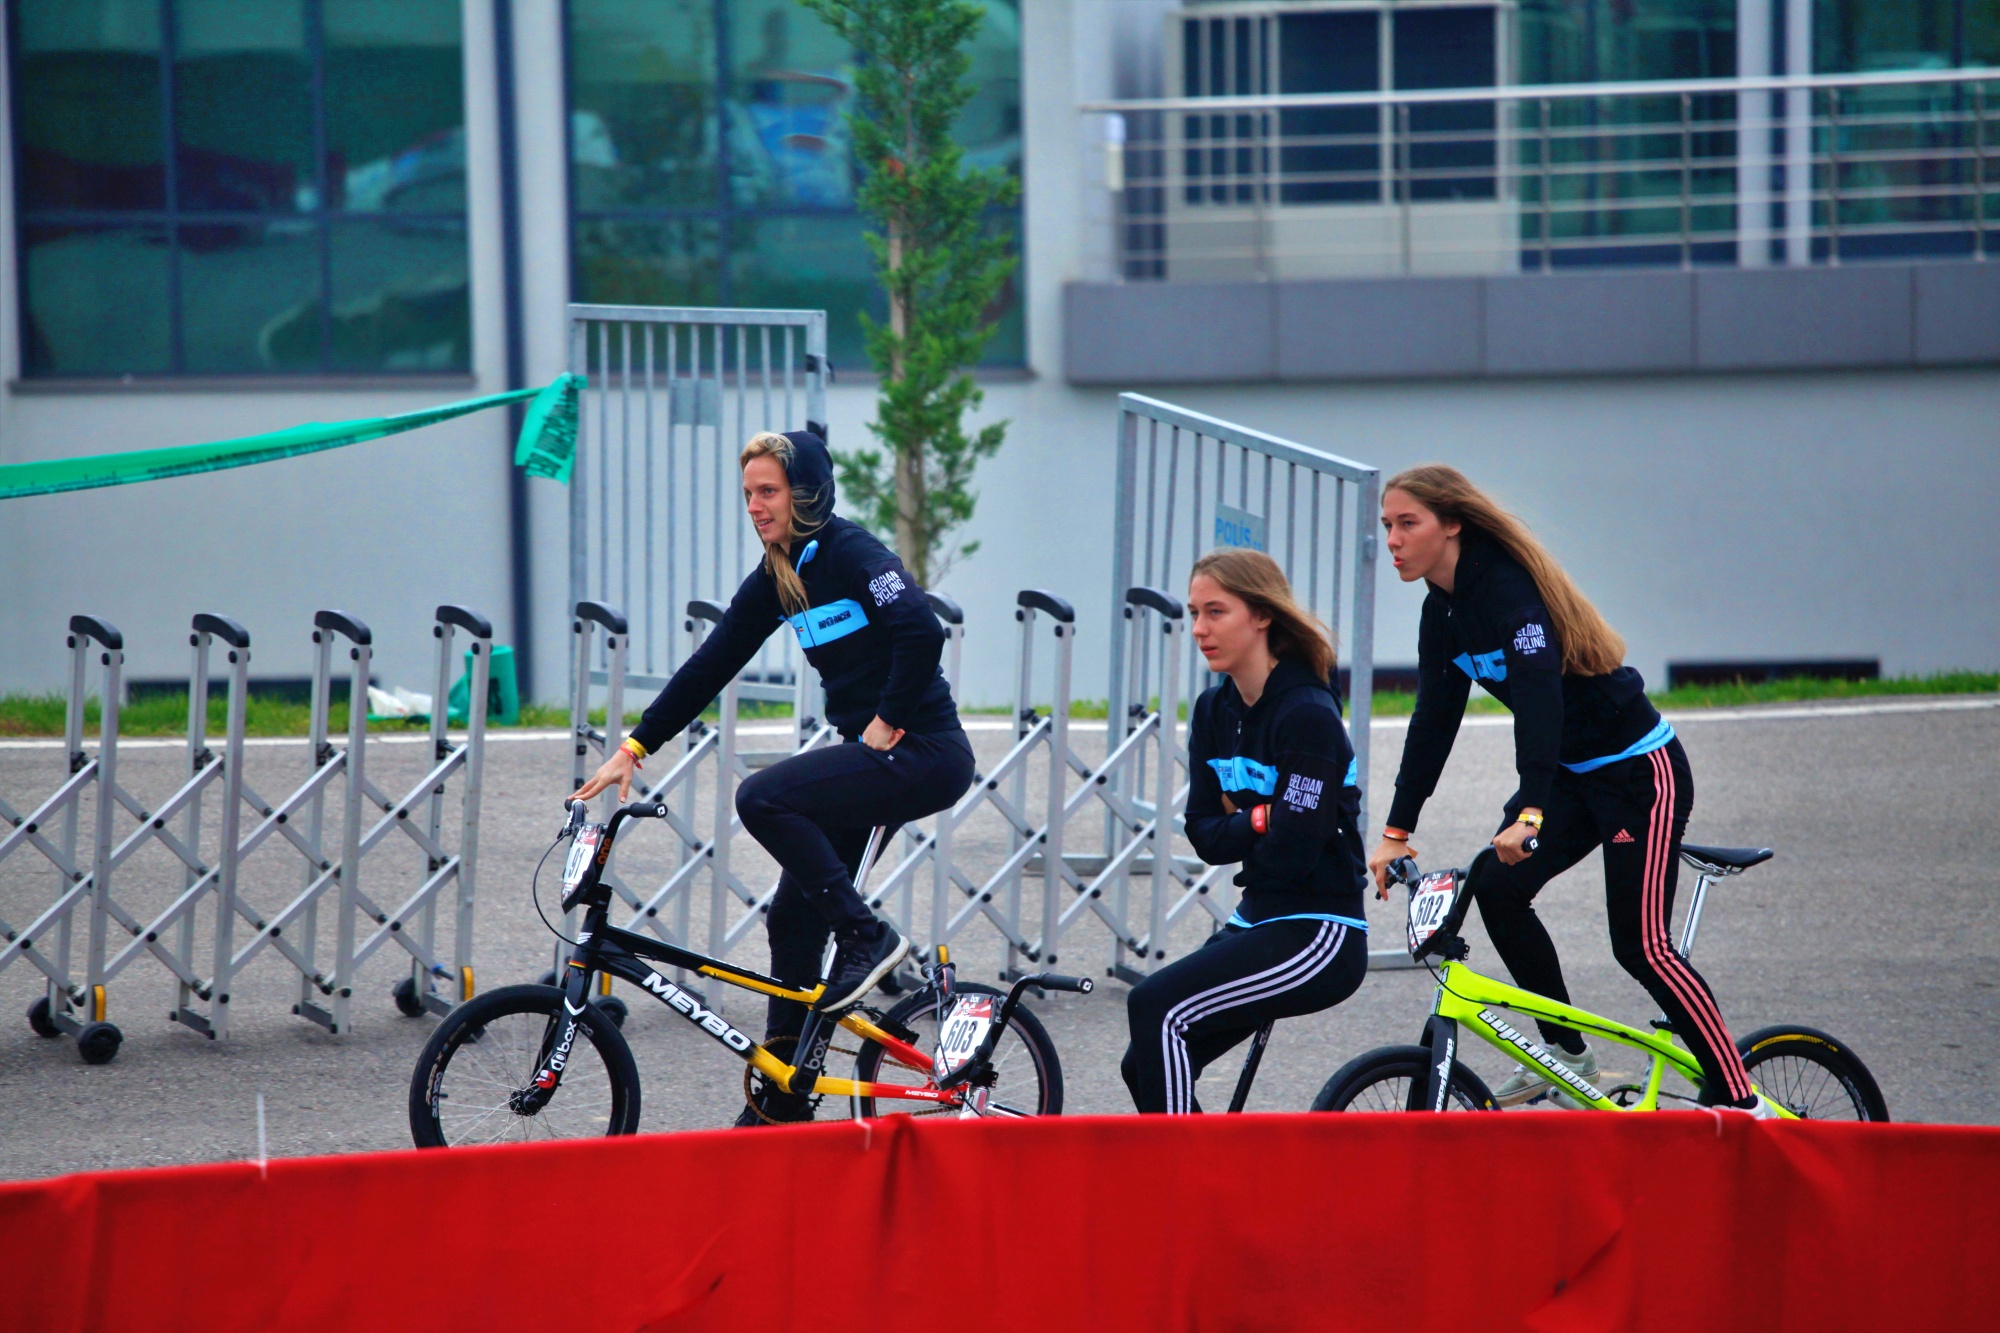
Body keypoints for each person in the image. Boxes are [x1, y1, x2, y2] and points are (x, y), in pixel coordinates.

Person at [572, 429, 974, 1125]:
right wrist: (636, 746)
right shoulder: (778, 575)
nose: (756, 506)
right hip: (878, 754)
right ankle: (786, 1089)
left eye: (769, 491)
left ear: (807, 493)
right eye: (749, 494)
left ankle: (866, 936)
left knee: (763, 795)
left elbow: (921, 627)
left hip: (924, 751)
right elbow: (713, 662)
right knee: (791, 915)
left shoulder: (852, 551)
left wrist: (887, 717)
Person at [1368, 465, 1771, 1115]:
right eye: (1387, 525)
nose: (1392, 538)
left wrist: (1529, 809)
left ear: (1452, 524)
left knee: (1640, 945)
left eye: (1406, 523)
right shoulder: (1441, 612)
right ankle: (1567, 1059)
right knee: (1495, 885)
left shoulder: (1508, 590)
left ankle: (1738, 1092)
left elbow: (1538, 699)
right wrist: (1396, 831)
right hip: (1571, 777)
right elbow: (1432, 722)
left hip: (1638, 771)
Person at [1121, 549, 1370, 1114]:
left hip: (1321, 930)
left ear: (1261, 615)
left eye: (1216, 612)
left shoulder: (1306, 713)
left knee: (1155, 1005)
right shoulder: (1215, 711)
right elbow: (1203, 834)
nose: (1200, 630)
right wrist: (1264, 816)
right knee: (1144, 1063)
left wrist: (1246, 821)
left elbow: (1296, 852)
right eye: (1194, 614)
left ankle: (1190, 1190)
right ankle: (1222, 1183)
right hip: (1257, 914)